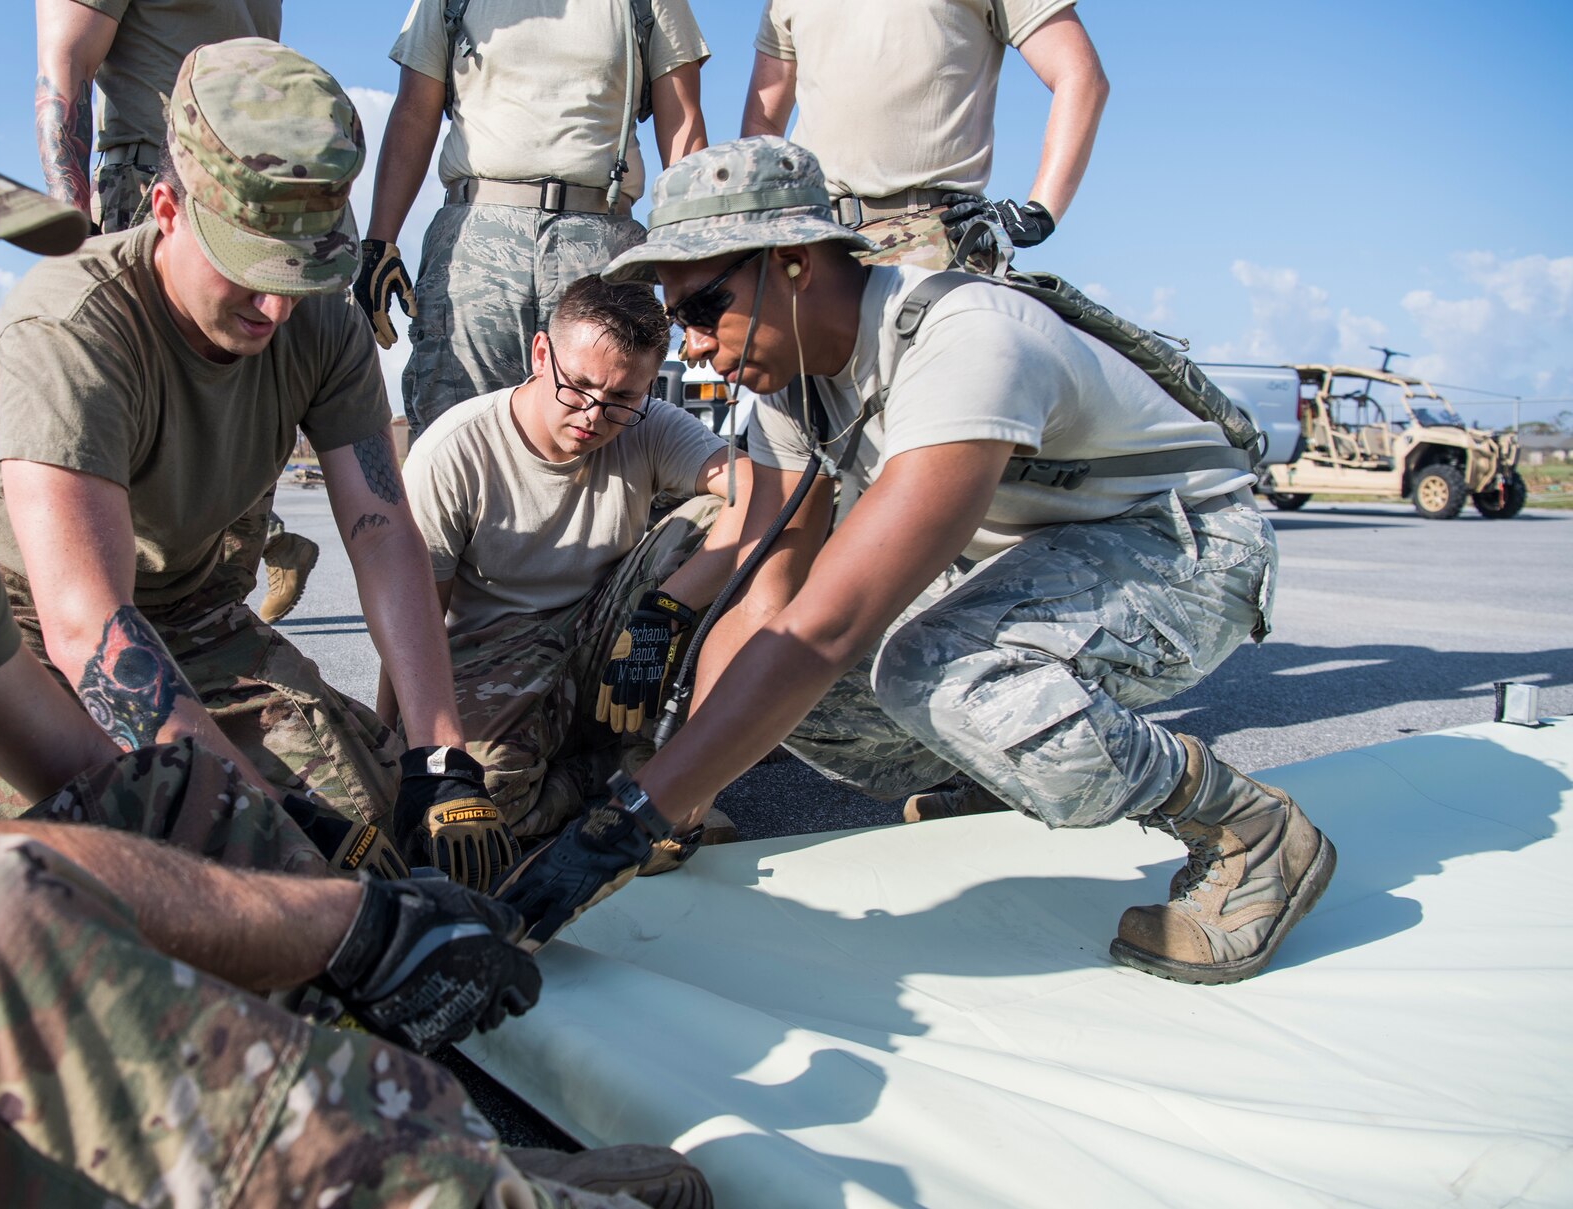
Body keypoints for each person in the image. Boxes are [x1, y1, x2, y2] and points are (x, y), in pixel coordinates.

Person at [0, 20, 702, 1206]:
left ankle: (402, 1151)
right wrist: (333, 931)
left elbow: (113, 775)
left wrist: (329, 865)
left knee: (208, 818)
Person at [498, 138, 1336, 989]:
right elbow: (765, 605)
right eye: (679, 322)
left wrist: (625, 823)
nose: (694, 347)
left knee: (933, 666)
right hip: (1037, 562)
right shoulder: (792, 384)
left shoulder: (966, 341)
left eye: (705, 308)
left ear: (792, 262)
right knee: (792, 686)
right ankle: (991, 771)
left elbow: (826, 625)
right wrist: (679, 795)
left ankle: (1245, 828)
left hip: (1189, 548)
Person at [0, 38, 523, 895]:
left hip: (195, 613)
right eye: (251, 268)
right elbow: (88, 628)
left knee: (374, 837)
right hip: (10, 639)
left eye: (303, 270)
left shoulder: (320, 323)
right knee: (91, 890)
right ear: (168, 209)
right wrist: (273, 827)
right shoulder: (74, 329)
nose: (276, 305)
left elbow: (380, 528)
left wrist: (440, 755)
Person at [396, 275, 750, 866]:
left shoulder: (654, 425)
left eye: (621, 400)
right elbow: (414, 624)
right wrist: (406, 763)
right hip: (497, 655)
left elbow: (763, 492)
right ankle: (610, 779)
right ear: (541, 354)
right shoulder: (454, 450)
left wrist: (666, 611)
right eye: (578, 386)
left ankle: (662, 773)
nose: (593, 415)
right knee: (479, 807)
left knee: (722, 514)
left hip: (608, 638)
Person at [33, 0, 318, 623]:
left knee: (235, 414)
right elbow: (67, 61)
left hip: (252, 189)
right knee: (126, 435)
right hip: (153, 178)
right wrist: (73, 237)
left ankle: (223, 600)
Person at [354, 0, 711, 435]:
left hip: (601, 244)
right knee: (458, 435)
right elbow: (414, 111)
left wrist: (695, 258)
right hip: (475, 242)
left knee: (606, 436)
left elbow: (683, 121)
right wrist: (379, 241)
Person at [741, 0, 1108, 270]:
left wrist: (1038, 213)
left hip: (938, 241)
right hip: (815, 246)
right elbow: (763, 127)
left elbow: (1081, 76)